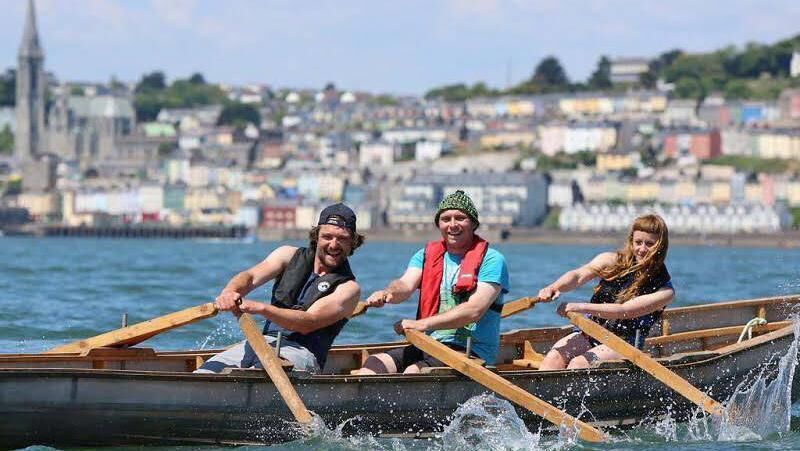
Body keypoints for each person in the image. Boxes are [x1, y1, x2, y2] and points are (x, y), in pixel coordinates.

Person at [195, 203, 364, 374]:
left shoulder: (349, 289)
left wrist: (261, 309)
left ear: (352, 242)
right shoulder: (287, 255)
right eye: (327, 237)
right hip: (261, 342)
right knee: (204, 373)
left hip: (301, 353)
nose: (334, 245)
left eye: (342, 238)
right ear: (317, 237)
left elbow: (308, 322)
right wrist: (230, 292)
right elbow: (250, 277)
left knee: (253, 376)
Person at [356, 190, 509, 374]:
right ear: (439, 224)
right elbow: (404, 286)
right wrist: (387, 293)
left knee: (414, 372)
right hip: (428, 345)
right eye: (446, 219)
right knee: (374, 364)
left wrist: (422, 324)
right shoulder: (426, 256)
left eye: (460, 218)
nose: (452, 225)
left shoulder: (492, 260)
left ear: (473, 223)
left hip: (472, 351)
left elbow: (474, 310)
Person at [537, 214, 674, 370]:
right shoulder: (611, 261)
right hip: (591, 332)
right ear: (631, 241)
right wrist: (554, 287)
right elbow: (579, 275)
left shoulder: (665, 291)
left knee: (579, 364)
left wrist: (579, 307)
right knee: (555, 356)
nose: (642, 249)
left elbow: (624, 311)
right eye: (638, 242)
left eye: (649, 244)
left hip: (625, 342)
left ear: (660, 246)